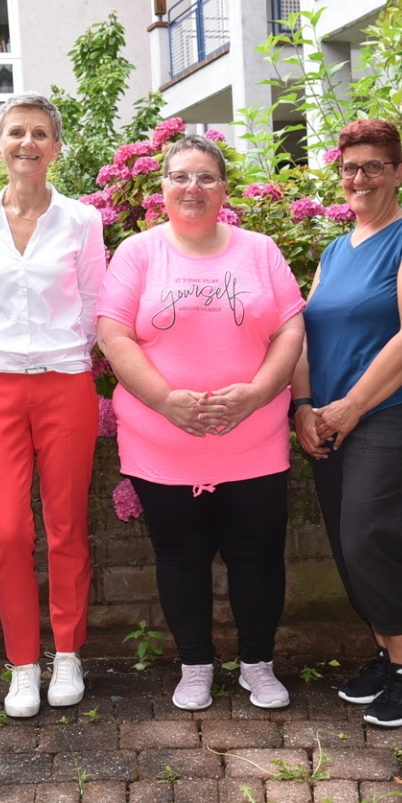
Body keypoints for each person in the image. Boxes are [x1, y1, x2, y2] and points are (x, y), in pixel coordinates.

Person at [97, 133, 306, 712]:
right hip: (163, 443)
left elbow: (291, 329)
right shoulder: (138, 253)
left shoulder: (259, 250)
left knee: (258, 557)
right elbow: (113, 333)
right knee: (180, 557)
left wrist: (260, 394)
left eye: (206, 177)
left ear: (224, 189)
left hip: (254, 441)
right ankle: (194, 667)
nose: (193, 188)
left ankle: (258, 666)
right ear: (162, 187)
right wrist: (166, 400)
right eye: (181, 176)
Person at [290, 119, 402, 728]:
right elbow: (304, 332)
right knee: (344, 543)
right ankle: (387, 657)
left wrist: (349, 408)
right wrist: (303, 408)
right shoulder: (336, 249)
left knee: (368, 539)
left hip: (393, 413)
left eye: (374, 166)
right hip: (329, 418)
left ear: (398, 172)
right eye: (350, 167)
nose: (360, 178)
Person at [0, 94, 104, 718]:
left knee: (67, 527)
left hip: (65, 383)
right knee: (11, 531)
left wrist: (64, 355)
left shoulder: (82, 221)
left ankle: (67, 654)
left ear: (56, 146)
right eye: (15, 132)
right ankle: (23, 663)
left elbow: (95, 308)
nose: (27, 143)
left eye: (39, 133)